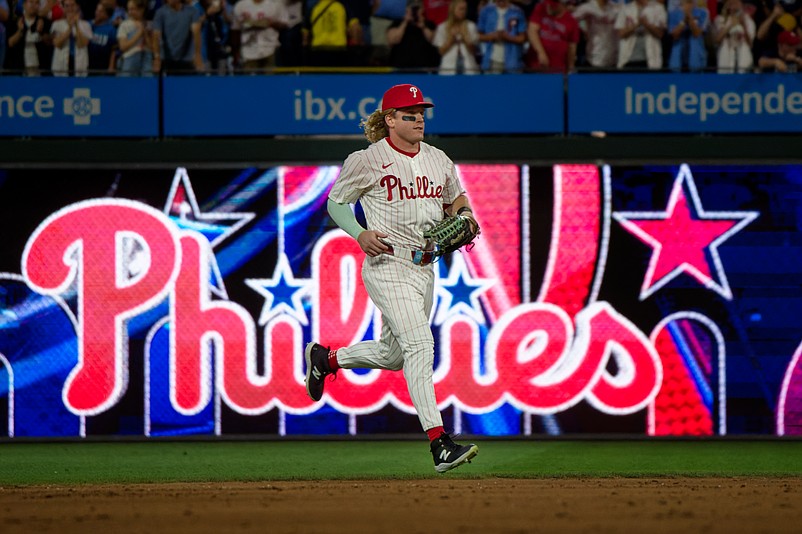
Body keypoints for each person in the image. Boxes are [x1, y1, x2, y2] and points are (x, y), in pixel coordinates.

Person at [305, 83, 480, 474]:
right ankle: (440, 444)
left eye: (421, 112)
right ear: (389, 120)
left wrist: (465, 215)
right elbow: (337, 201)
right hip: (387, 264)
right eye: (409, 113)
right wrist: (359, 233)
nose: (419, 118)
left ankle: (327, 358)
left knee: (395, 354)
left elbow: (456, 198)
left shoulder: (438, 159)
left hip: (425, 267)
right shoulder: (367, 159)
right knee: (420, 344)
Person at [525, 0, 580, 72]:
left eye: (552, 5)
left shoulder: (571, 21)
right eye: (548, 4)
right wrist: (541, 52)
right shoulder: (541, 8)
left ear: (562, 5)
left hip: (558, 68)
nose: (549, 7)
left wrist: (570, 66)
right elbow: (532, 30)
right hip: (536, 65)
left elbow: (572, 47)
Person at [151, 0, 204, 73]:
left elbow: (196, 32)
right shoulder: (160, 13)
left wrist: (197, 54)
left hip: (187, 60)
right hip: (167, 60)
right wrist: (157, 57)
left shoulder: (192, 11)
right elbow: (156, 35)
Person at [386, 0, 441, 69]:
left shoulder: (429, 24)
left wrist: (423, 27)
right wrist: (405, 22)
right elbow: (393, 40)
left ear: (423, 9)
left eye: (418, 8)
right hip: (401, 69)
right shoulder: (397, 23)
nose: (415, 11)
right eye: (412, 8)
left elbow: (434, 41)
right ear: (406, 9)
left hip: (424, 68)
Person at [476, 0, 527, 72]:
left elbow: (522, 38)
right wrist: (493, 36)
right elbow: (478, 36)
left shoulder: (517, 12)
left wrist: (508, 37)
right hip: (492, 60)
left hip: (513, 62)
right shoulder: (486, 11)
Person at [614, 0, 666, 70]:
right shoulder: (626, 8)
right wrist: (637, 25)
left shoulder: (658, 8)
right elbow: (621, 34)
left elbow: (660, 34)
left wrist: (647, 24)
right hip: (628, 60)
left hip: (651, 61)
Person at [433, 0, 480, 73]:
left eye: (465, 9)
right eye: (461, 9)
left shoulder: (471, 26)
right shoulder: (442, 27)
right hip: (448, 68)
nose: (463, 12)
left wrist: (465, 38)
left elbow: (474, 51)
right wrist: (451, 39)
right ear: (453, 10)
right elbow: (441, 52)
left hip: (468, 67)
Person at [572, 0, 620, 70]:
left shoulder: (616, 7)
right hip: (594, 58)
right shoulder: (587, 7)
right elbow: (569, 21)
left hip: (613, 58)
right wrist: (582, 30)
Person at [6, 0, 51, 74]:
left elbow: (49, 42)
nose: (34, 5)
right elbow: (10, 43)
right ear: (24, 5)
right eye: (31, 2)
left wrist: (41, 32)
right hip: (19, 68)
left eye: (37, 3)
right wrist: (19, 31)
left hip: (39, 68)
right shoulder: (15, 22)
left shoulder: (44, 22)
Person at [50, 0, 92, 76]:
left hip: (80, 67)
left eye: (73, 5)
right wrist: (70, 28)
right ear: (63, 8)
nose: (70, 8)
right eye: (67, 6)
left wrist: (76, 25)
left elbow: (82, 44)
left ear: (77, 6)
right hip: (60, 67)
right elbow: (57, 44)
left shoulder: (86, 25)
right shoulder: (56, 24)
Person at [713, 0, 755, 72]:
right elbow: (717, 40)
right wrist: (729, 25)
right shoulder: (720, 19)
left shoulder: (748, 20)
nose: (733, 6)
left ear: (741, 5)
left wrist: (743, 25)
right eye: (731, 3)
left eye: (736, 3)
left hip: (743, 58)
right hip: (725, 58)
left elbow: (750, 44)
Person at [667, 0, 709, 71]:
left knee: (695, 41)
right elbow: (674, 36)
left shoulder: (703, 12)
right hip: (678, 58)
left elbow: (697, 33)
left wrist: (690, 17)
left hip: (696, 59)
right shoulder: (673, 13)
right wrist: (683, 21)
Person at [116, 0, 153, 74]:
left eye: (133, 9)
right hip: (130, 59)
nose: (130, 12)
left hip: (146, 60)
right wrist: (139, 33)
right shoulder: (125, 25)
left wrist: (145, 34)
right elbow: (123, 47)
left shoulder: (150, 25)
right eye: (129, 9)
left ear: (141, 10)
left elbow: (152, 48)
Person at [88, 1, 118, 72]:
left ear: (107, 15)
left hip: (103, 67)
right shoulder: (89, 25)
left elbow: (113, 50)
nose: (97, 13)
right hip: (87, 65)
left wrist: (111, 66)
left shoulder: (111, 30)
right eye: (97, 10)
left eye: (101, 11)